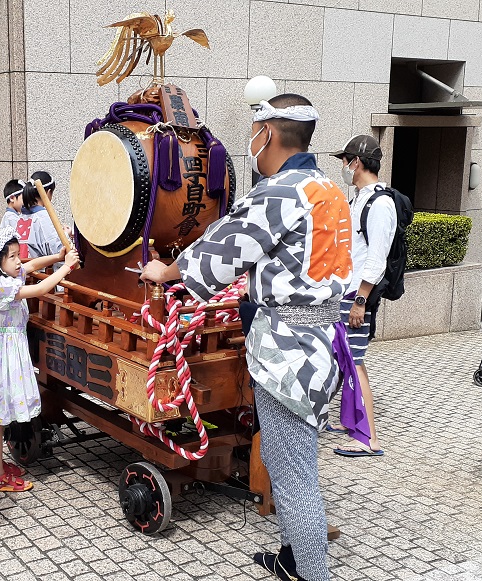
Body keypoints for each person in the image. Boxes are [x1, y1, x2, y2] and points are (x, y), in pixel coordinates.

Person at [142, 94, 362, 581]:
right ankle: (291, 556)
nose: (251, 142)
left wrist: (166, 270)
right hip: (320, 338)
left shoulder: (282, 191)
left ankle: (312, 574)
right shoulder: (329, 188)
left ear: (267, 133)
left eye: (253, 132)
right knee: (290, 460)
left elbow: (224, 247)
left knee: (293, 472)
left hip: (288, 346)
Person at [0, 227, 78, 492]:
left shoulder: (6, 277)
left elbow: (31, 266)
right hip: (4, 355)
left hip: (10, 351)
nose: (18, 261)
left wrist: (57, 256)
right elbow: (40, 288)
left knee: (0, 413)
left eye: (17, 254)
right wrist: (66, 267)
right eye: (12, 256)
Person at [326, 135, 395, 458]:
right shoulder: (359, 199)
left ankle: (369, 439)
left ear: (357, 162)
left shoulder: (380, 204)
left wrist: (360, 300)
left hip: (357, 295)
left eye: (345, 161)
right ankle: (348, 421)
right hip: (346, 291)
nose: (343, 167)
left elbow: (377, 258)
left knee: (356, 364)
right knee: (345, 359)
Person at [14, 174, 63, 260]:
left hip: (22, 265)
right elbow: (57, 249)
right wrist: (65, 235)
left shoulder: (20, 216)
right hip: (40, 267)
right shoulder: (44, 217)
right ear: (48, 192)